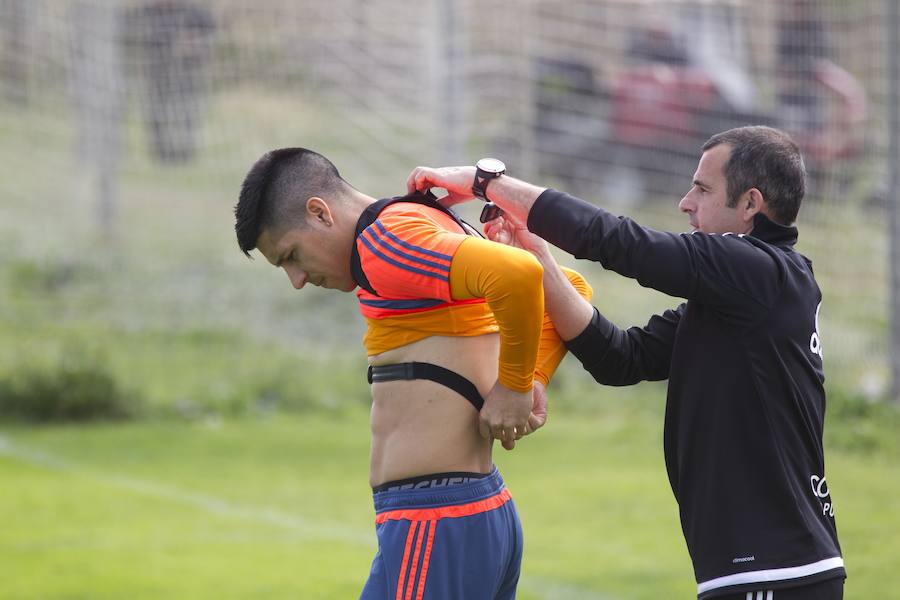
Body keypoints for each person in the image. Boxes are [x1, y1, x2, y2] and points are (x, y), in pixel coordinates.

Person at [407, 126, 845, 599]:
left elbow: (619, 241)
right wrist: (539, 258)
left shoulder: (762, 272)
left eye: (702, 188)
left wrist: (485, 183)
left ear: (750, 204)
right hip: (771, 570)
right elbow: (621, 359)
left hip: (775, 574)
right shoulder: (745, 299)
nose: (685, 202)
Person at [234, 148, 591, 599]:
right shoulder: (416, 223)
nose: (297, 279)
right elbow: (569, 288)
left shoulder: (384, 241)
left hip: (435, 520)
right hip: (464, 514)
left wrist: (518, 386)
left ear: (319, 212)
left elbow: (518, 275)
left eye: (291, 255)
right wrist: (531, 379)